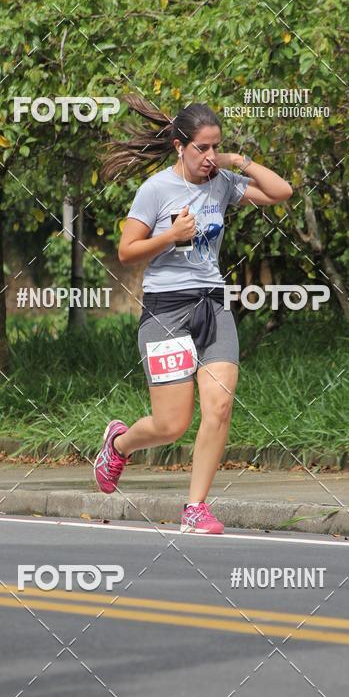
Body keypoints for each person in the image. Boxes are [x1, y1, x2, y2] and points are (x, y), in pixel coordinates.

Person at [94, 95, 292, 534]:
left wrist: (239, 160)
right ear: (179, 147)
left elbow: (281, 193)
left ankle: (195, 508)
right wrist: (170, 235)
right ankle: (119, 444)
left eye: (215, 147)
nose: (209, 157)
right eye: (201, 148)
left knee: (219, 407)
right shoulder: (155, 190)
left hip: (213, 306)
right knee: (172, 424)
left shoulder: (222, 180)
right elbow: (127, 252)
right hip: (166, 311)